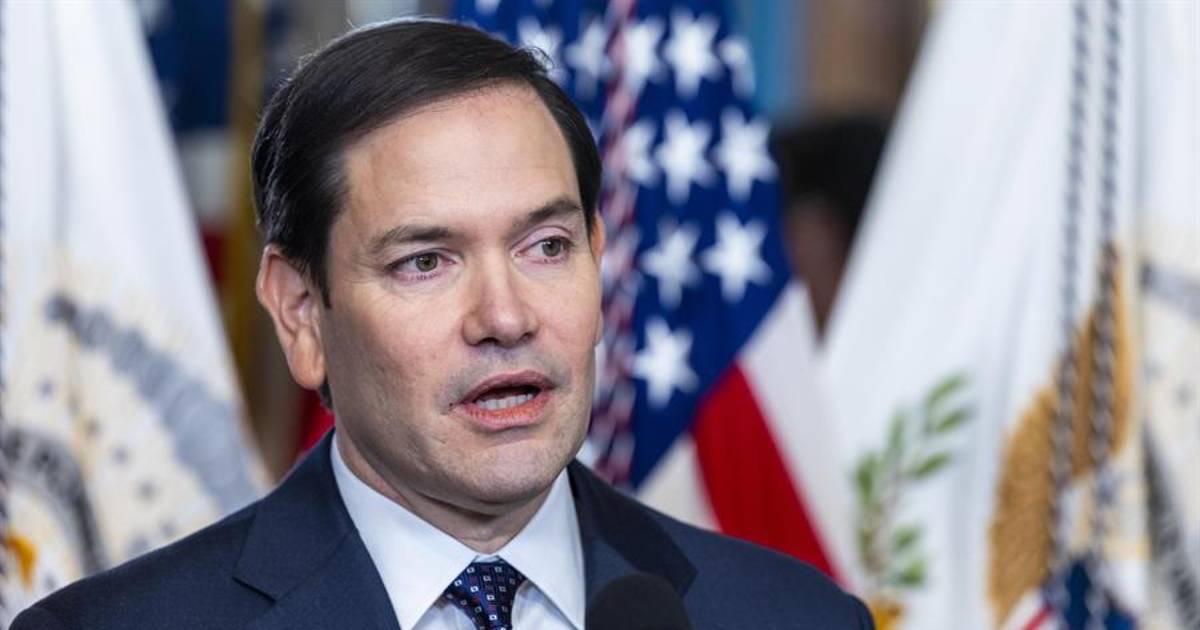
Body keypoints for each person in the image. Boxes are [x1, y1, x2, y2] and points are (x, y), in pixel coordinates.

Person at [13, 19, 873, 630]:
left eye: (545, 247)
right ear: (301, 310)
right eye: (425, 261)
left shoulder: (795, 616)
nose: (506, 317)